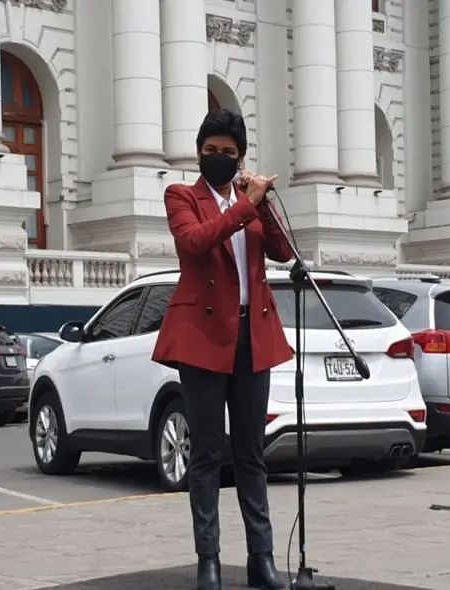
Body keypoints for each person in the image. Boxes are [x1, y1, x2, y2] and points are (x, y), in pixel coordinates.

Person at [152, 109, 295, 590]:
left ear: (241, 158)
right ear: (198, 153)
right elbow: (195, 242)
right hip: (203, 340)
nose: (218, 159)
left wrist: (264, 201)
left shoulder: (249, 201)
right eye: (210, 151)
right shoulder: (182, 197)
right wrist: (244, 205)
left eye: (227, 153)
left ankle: (263, 558)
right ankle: (208, 559)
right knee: (208, 452)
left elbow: (282, 251)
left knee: (252, 454)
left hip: (251, 336)